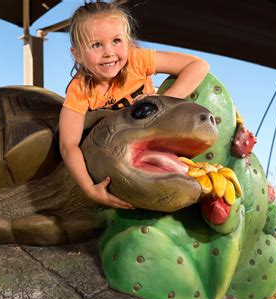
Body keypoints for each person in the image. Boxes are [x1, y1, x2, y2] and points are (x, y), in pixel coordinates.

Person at [59, 1, 210, 209]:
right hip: (119, 155)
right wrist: (89, 189)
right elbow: (68, 145)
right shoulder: (80, 89)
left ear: (128, 42)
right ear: (77, 54)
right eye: (96, 45)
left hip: (153, 139)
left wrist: (163, 104)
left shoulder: (136, 60)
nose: (109, 52)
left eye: (116, 41)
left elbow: (198, 66)